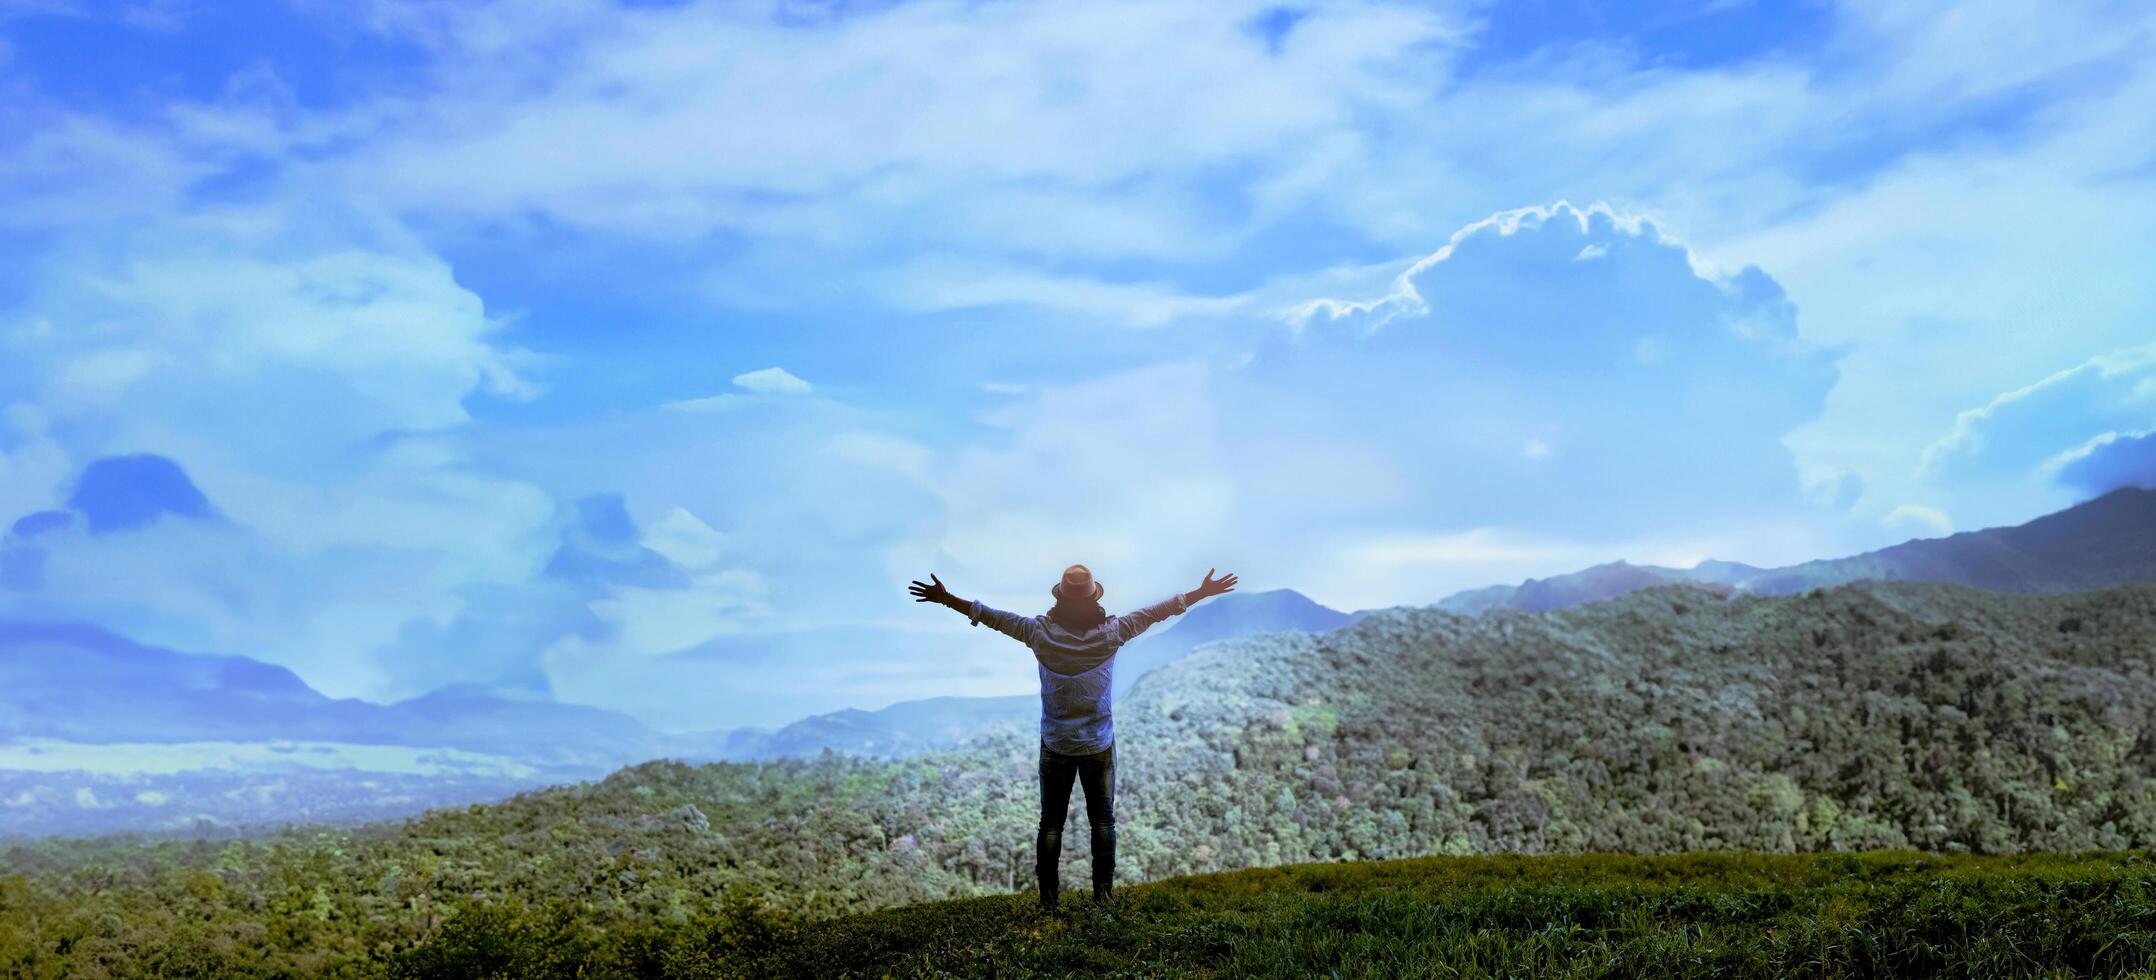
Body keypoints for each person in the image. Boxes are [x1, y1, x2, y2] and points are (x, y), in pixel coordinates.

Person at [908, 563, 1238, 912]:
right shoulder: (1113, 633)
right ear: (1094, 599)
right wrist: (1201, 592)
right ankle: (1104, 897)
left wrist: (946, 599)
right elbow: (1157, 612)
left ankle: (1049, 903)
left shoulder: (1039, 634)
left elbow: (990, 616)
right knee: (1103, 821)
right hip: (1098, 743)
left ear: (1060, 599)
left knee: (1051, 824)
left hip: (1056, 744)